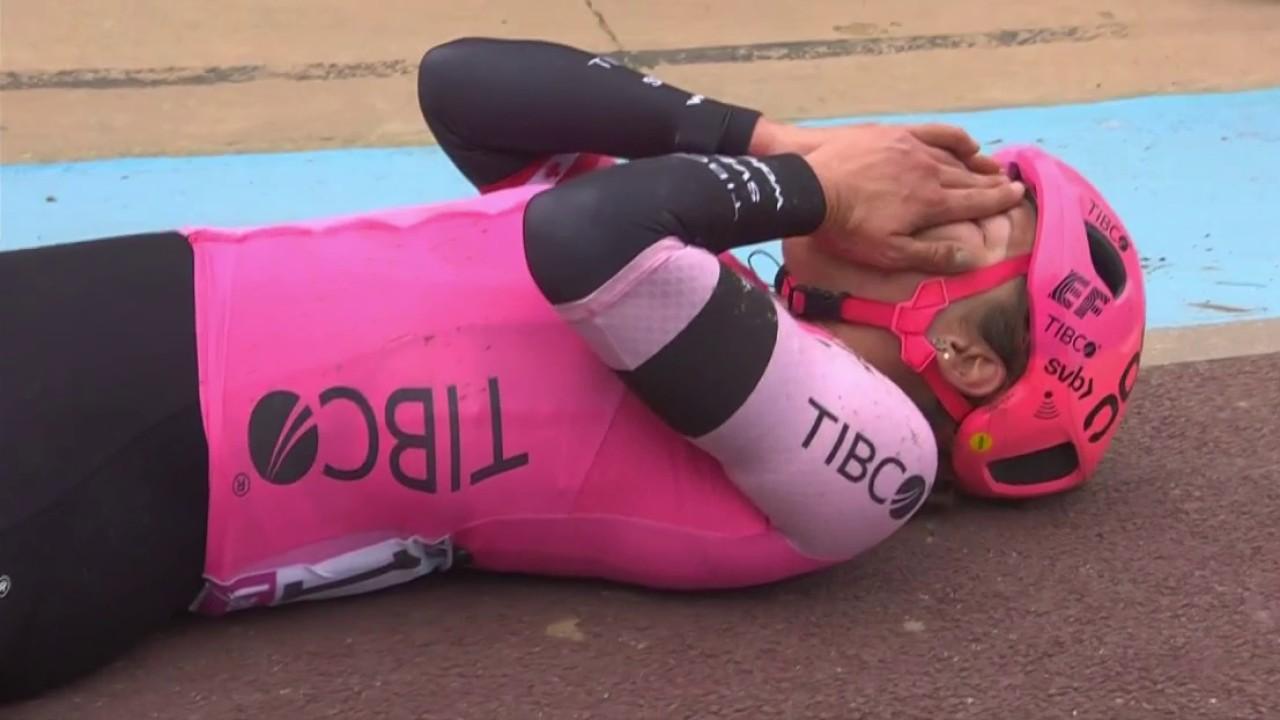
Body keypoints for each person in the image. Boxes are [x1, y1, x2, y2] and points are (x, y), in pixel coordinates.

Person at [0, 37, 1144, 702]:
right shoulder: (712, 274)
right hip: (119, 301)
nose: (910, 183)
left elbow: (584, 241)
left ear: (959, 356)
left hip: (115, 486)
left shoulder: (866, 465)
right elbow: (467, 86)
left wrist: (813, 192)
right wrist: (783, 146)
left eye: (960, 220)